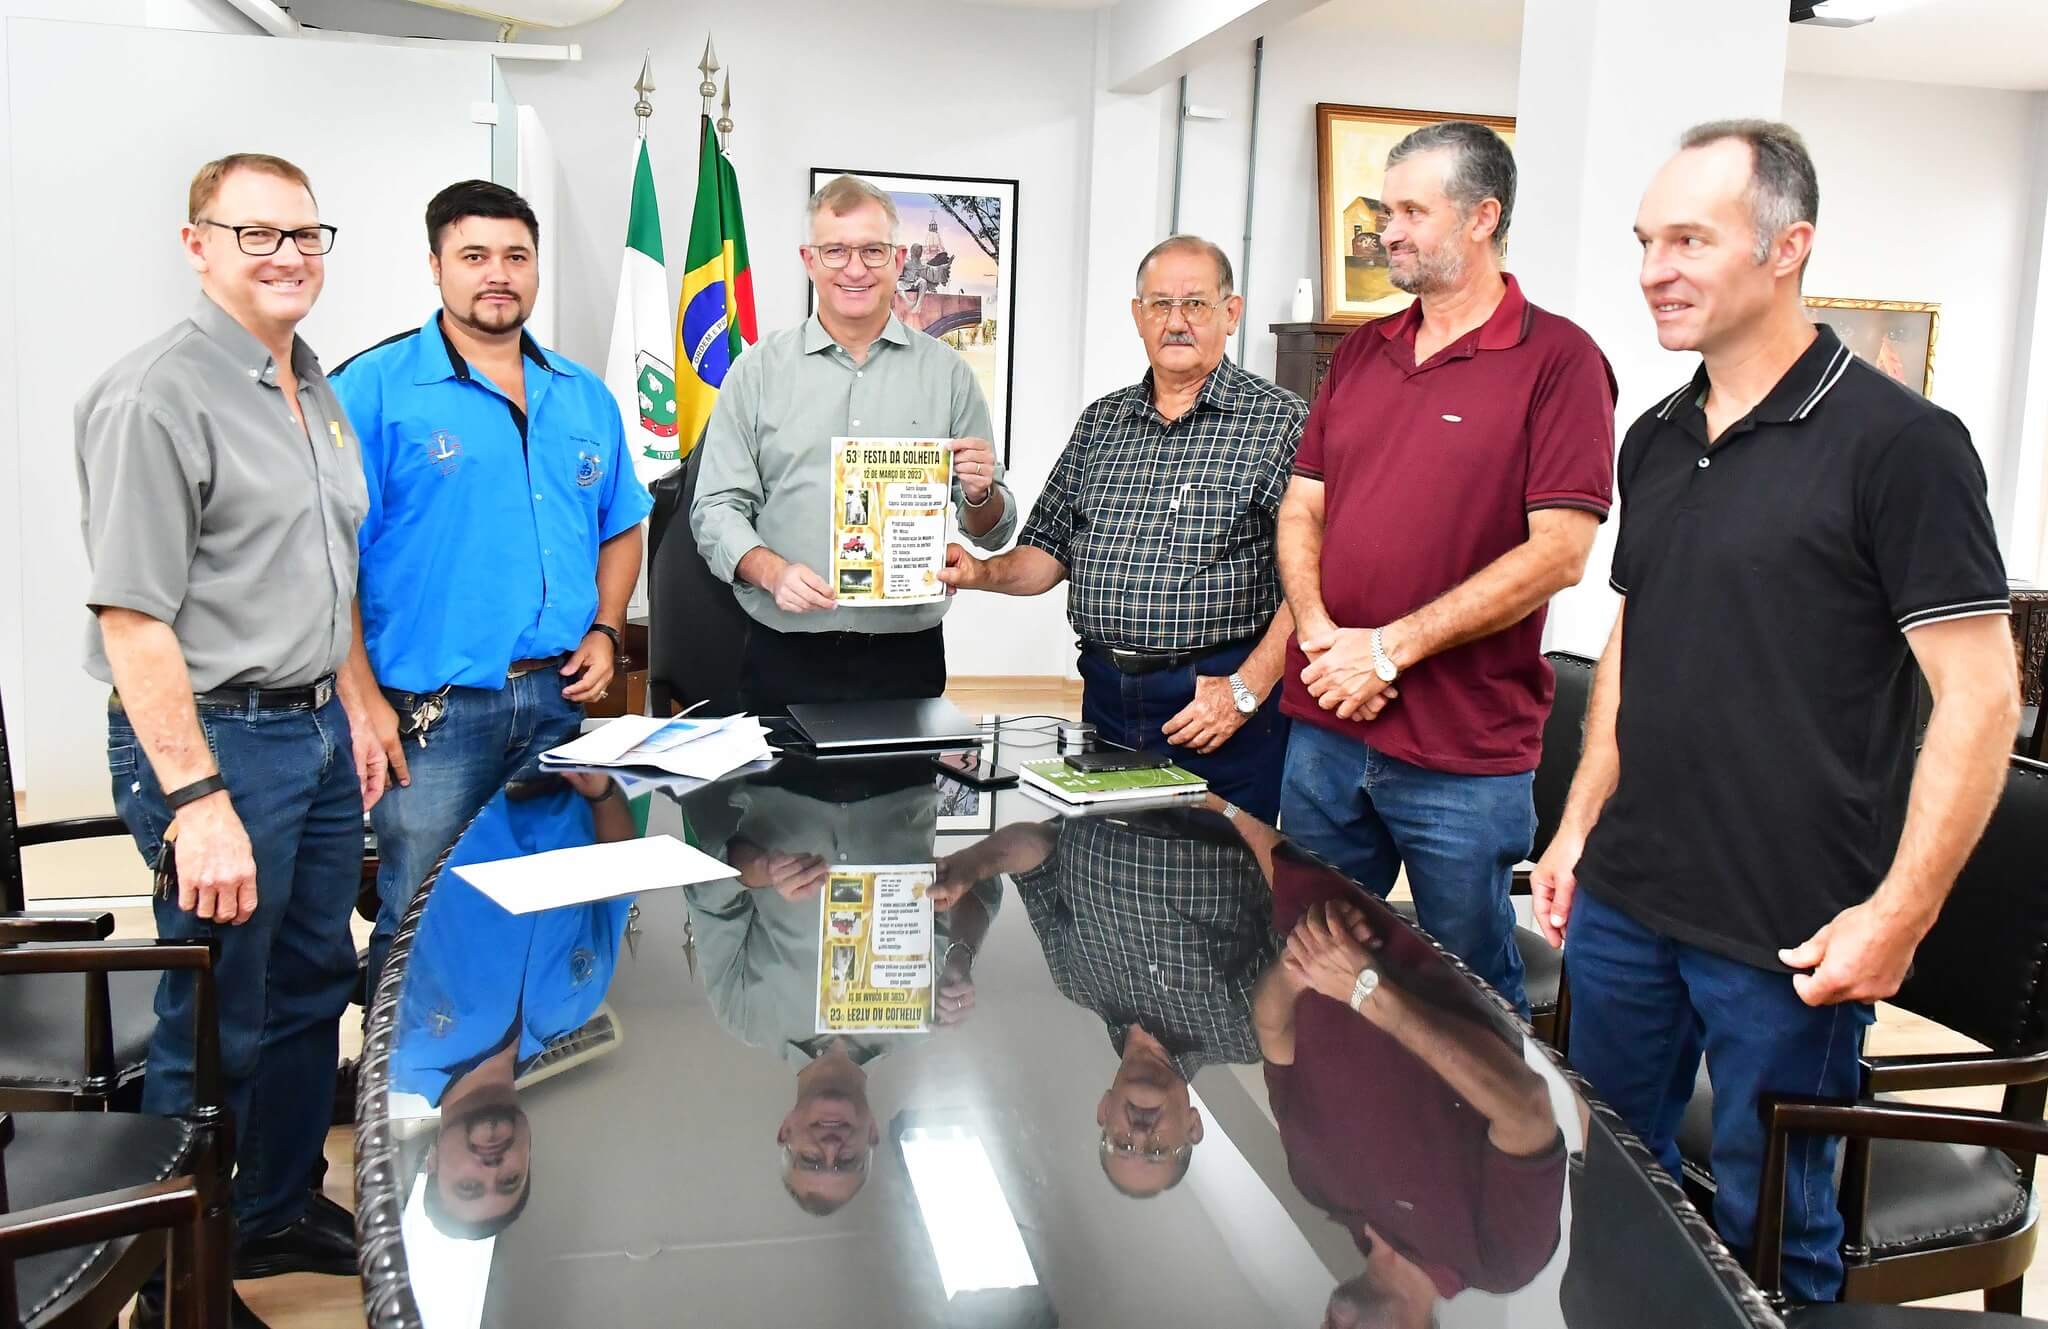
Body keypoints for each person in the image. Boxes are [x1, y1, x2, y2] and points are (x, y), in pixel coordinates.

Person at [1531, 121, 2019, 1302]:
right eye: (1645, 241)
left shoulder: (1902, 446)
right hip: (1627, 901)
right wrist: (1578, 825)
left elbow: (1980, 695)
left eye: (1688, 240)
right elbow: (1634, 638)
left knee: (1774, 1248)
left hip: (1789, 935)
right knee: (1609, 1197)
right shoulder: (1653, 437)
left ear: (1785, 247)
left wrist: (1898, 914)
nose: (1654, 269)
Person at [78, 153, 380, 1329]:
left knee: (311, 989)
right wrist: (197, 800)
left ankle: (272, 1208)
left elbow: (325, 569)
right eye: (256, 234)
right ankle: (175, 1281)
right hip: (219, 746)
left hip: (312, 732)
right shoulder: (157, 396)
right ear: (196, 244)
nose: (287, 255)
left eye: (305, 233)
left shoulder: (309, 380)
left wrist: (355, 707)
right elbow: (132, 618)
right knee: (216, 1019)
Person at [1274, 121, 1618, 1015]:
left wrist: (1385, 651)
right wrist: (1324, 639)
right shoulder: (1362, 351)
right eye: (1385, 211)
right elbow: (1302, 507)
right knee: (1313, 959)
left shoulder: (1561, 361)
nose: (1386, 231)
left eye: (1410, 211)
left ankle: (1487, 1118)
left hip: (1460, 752)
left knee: (1468, 997)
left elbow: (1561, 552)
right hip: (1325, 724)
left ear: (1482, 217)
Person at [331, 180, 652, 988]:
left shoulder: (583, 395)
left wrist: (608, 626)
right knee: (428, 913)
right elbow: (328, 560)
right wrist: (362, 700)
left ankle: (521, 1054)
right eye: (474, 255)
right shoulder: (372, 390)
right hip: (431, 713)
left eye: (516, 255)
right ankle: (404, 1070)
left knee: (550, 898)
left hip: (553, 699)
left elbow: (622, 522)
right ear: (435, 266)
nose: (498, 273)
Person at [939, 236, 1305, 820]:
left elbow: (1312, 584)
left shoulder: (1280, 421)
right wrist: (980, 572)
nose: (1176, 322)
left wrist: (1245, 691)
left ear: (1231, 313)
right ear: (1138, 315)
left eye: (1196, 303)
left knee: (1220, 869)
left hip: (1214, 702)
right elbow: (1047, 552)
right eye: (1160, 304)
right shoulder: (1101, 423)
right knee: (1109, 856)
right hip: (1106, 699)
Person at [692, 174, 1016, 713]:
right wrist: (773, 572)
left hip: (906, 655)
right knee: (781, 774)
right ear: (809, 259)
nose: (855, 268)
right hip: (783, 648)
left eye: (872, 250)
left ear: (899, 259)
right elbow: (715, 508)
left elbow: (991, 529)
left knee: (906, 775)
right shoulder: (757, 371)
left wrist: (982, 495)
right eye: (836, 251)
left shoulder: (949, 374)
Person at [679, 756, 996, 1214]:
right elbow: (983, 888)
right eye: (847, 1161)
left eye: (810, 1159)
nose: (830, 1148)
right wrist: (960, 956)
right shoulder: (925, 1016)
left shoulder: (742, 1015)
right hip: (898, 776)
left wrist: (765, 869)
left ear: (785, 1132)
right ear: (872, 1134)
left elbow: (706, 890)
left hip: (782, 773)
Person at [1258, 862, 1565, 1328]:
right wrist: (1366, 990)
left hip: (1316, 898)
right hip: (1455, 941)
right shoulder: (1499, 1262)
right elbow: (1526, 1109)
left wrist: (1301, 963)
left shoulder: (1314, 1185)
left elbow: (1272, 1031)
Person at [955, 799, 1281, 1196]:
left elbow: (1040, 851)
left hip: (1101, 783)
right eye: (1157, 1150)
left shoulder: (1073, 981)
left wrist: (973, 863)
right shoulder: (1244, 1035)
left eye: (1122, 1144)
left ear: (1104, 1112)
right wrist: (1233, 811)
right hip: (1218, 793)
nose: (1140, 1134)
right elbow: (1290, 907)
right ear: (1193, 1127)